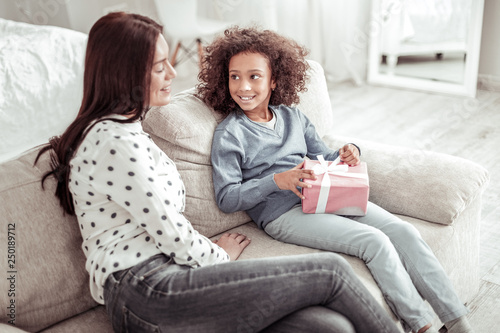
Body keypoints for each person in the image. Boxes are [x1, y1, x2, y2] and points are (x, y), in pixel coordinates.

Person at [35, 12, 400, 333]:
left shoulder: (129, 131)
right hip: (147, 293)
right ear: (125, 71)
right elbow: (170, 230)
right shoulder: (112, 142)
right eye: (159, 66)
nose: (173, 73)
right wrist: (217, 255)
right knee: (331, 272)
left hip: (170, 280)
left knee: (327, 327)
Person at [198, 26, 474, 333]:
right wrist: (277, 180)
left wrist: (349, 152)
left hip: (326, 194)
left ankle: (457, 322)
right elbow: (227, 198)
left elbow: (325, 157)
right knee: (374, 242)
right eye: (234, 76)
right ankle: (420, 325)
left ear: (274, 79)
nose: (243, 86)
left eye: (254, 76)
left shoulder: (293, 117)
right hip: (283, 215)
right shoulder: (230, 134)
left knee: (403, 230)